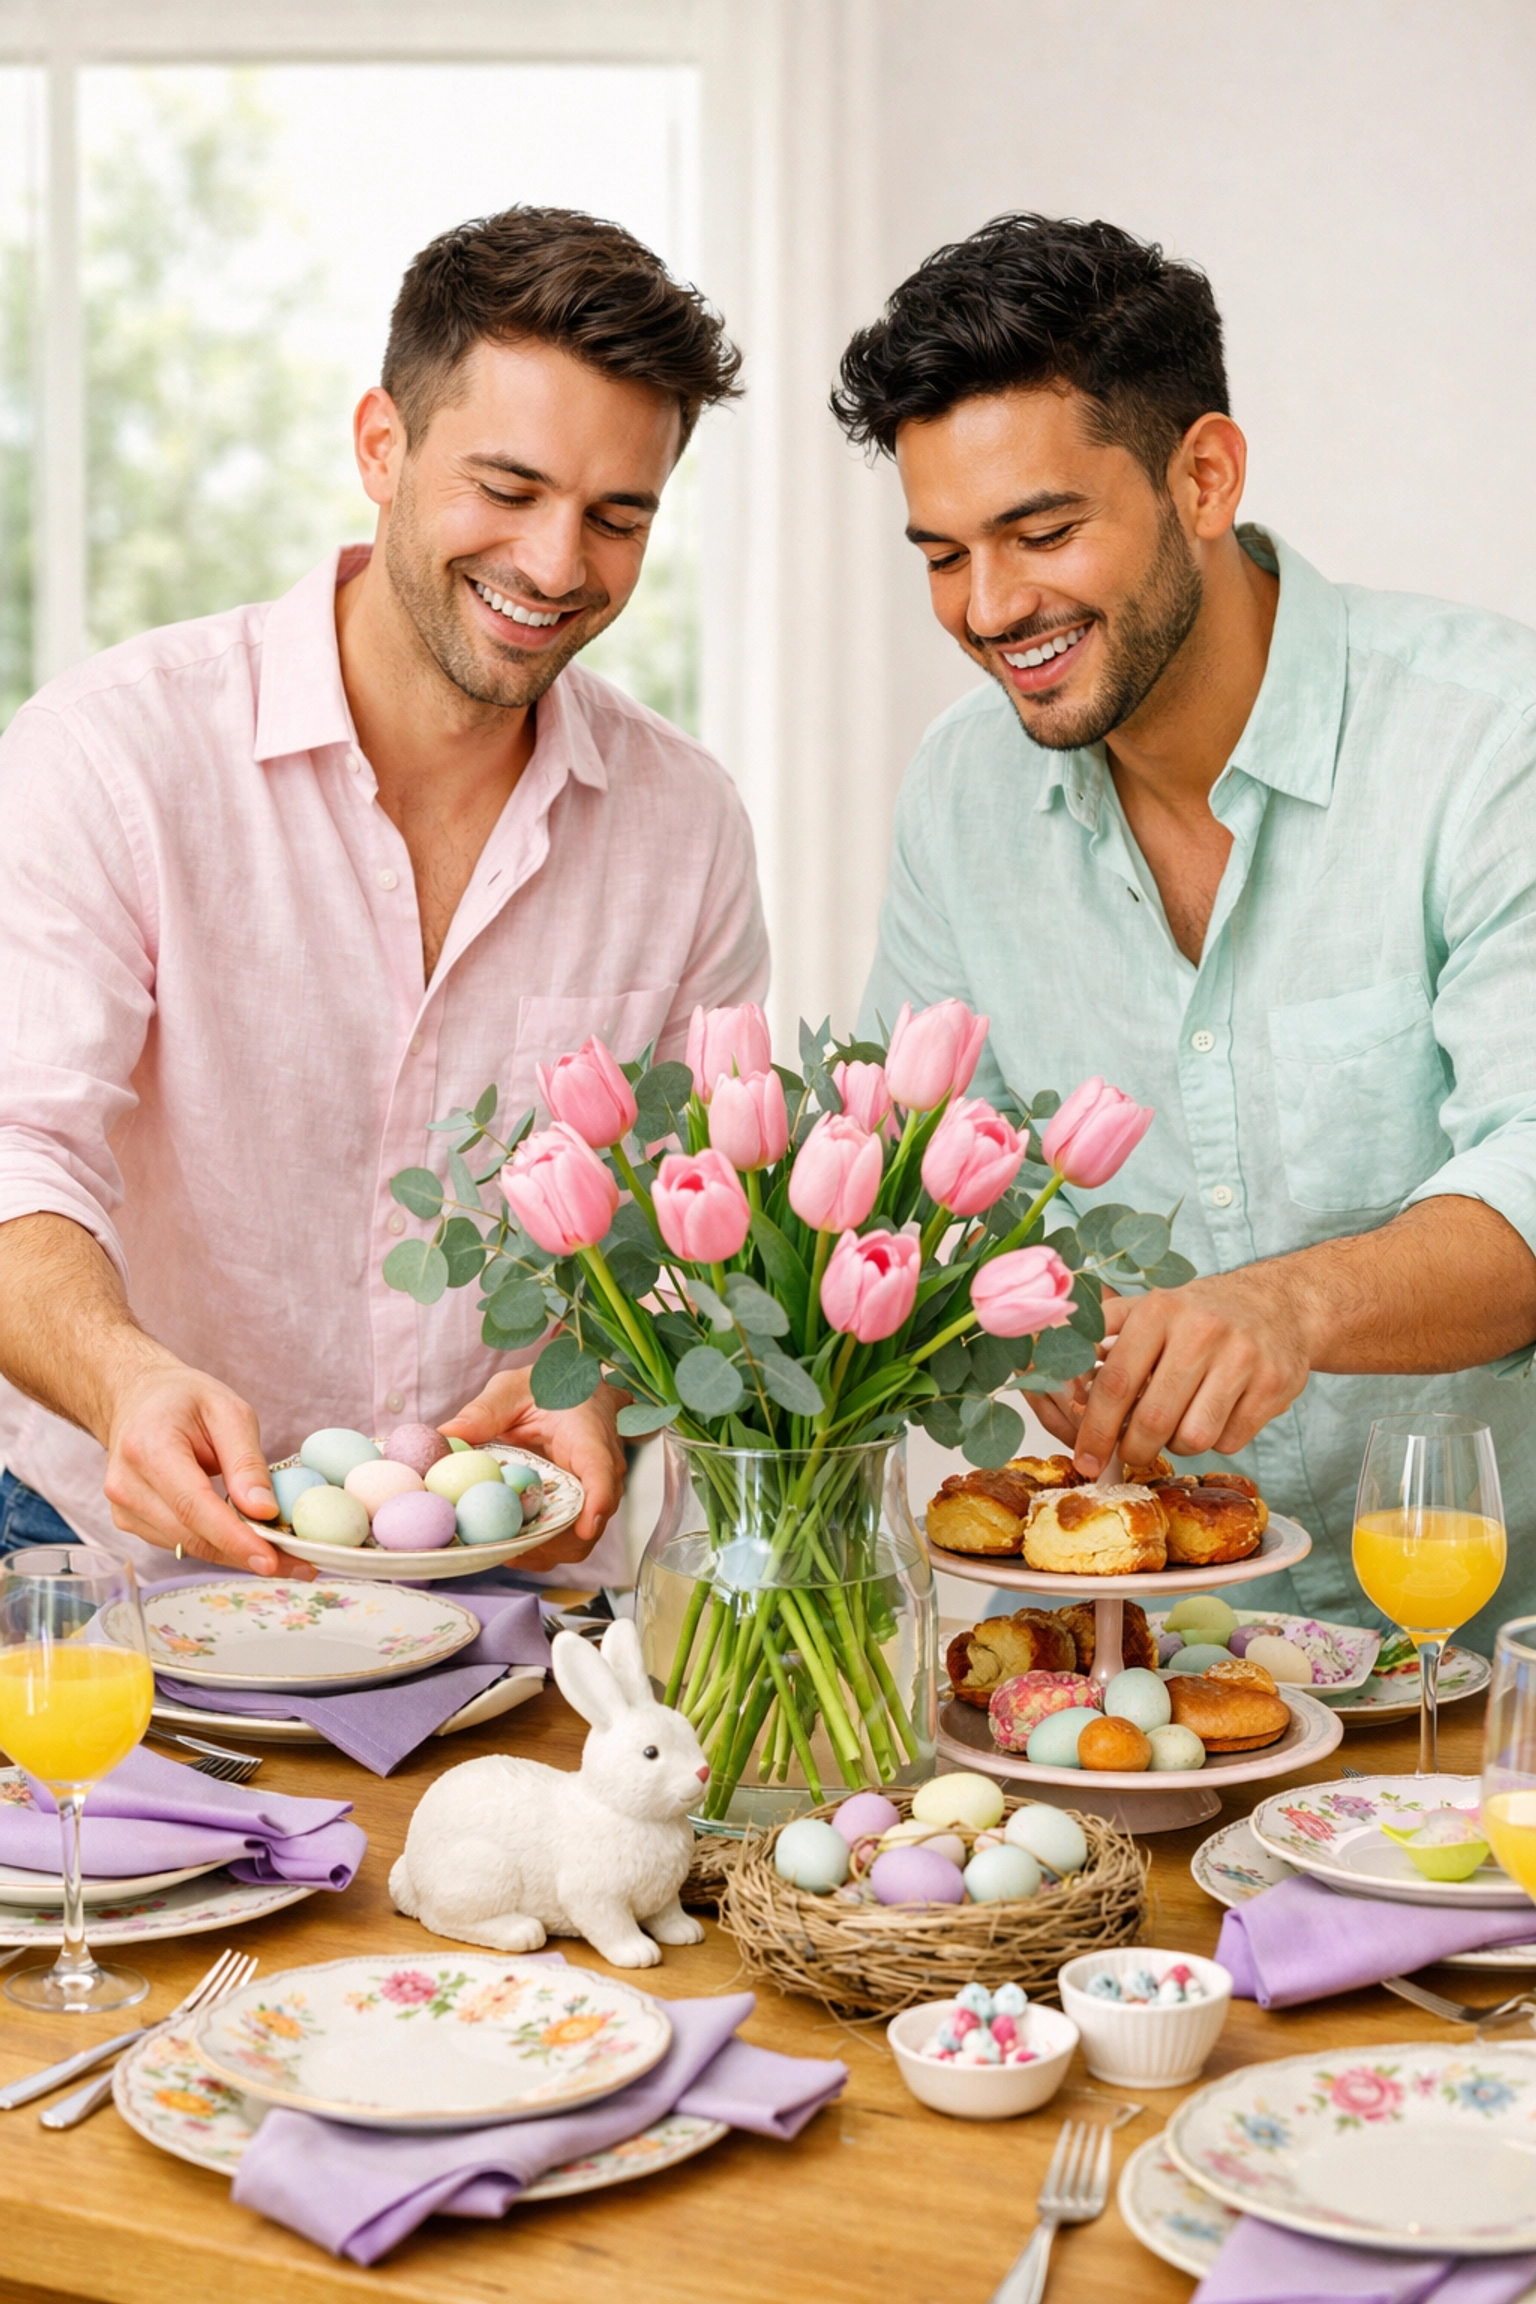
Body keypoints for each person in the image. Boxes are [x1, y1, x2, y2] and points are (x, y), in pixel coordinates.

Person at [0, 205, 767, 1583]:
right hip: (106, 1564)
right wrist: (118, 1377)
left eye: (617, 516)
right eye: (509, 488)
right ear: (381, 446)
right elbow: (16, 1150)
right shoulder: (110, 757)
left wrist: (597, 1377)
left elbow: (683, 1210)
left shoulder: (684, 824)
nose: (554, 565)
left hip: (508, 1590)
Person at [835, 213, 1536, 1642]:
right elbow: (903, 1179)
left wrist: (1294, 1306)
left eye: (1042, 533)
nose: (990, 608)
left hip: (1485, 1675)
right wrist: (1003, 1321)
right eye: (943, 554)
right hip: (1131, 1664)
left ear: (1203, 476)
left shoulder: (1488, 741)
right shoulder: (961, 792)